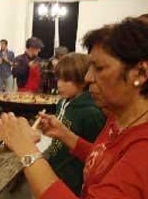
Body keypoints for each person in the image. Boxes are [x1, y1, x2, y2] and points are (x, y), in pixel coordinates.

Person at [0, 17, 148, 198]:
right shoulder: (118, 117)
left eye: (99, 68)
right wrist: (64, 134)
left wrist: (26, 150)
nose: (88, 78)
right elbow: (103, 161)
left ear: (141, 72)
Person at [43, 53, 106, 196]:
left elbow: (94, 156)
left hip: (73, 180)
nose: (59, 84)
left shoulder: (91, 113)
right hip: (56, 166)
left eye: (66, 80)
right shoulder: (62, 102)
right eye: (58, 78)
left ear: (83, 81)